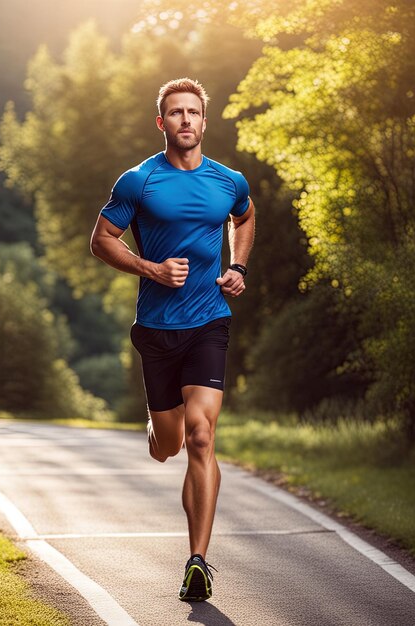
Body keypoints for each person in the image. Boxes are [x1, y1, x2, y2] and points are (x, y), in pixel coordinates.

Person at [90, 77, 255, 602]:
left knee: (202, 436)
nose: (186, 120)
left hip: (209, 321)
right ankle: (159, 432)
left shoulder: (229, 181)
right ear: (161, 122)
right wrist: (151, 270)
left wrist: (238, 265)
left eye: (193, 112)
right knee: (170, 445)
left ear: (205, 121)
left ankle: (198, 562)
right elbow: (101, 240)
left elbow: (245, 218)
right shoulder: (138, 182)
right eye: (175, 113)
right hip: (157, 330)